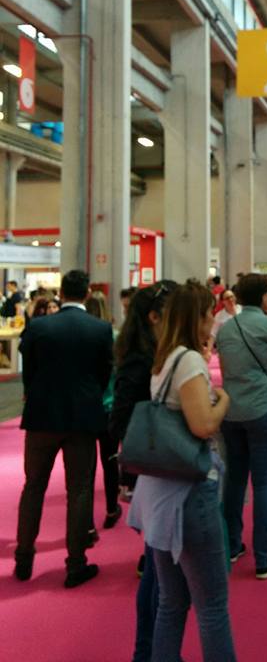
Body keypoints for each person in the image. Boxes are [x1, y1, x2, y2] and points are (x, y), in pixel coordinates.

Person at [128, 280, 236, 662]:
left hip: (161, 492)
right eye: (209, 314)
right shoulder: (188, 360)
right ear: (197, 317)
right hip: (189, 492)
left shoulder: (166, 357)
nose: (213, 320)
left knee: (171, 603)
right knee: (212, 606)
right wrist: (223, 401)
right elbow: (203, 425)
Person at [14, 269, 113, 588]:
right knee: (80, 490)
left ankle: (24, 558)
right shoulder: (100, 329)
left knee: (33, 487)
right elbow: (104, 373)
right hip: (82, 417)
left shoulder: (39, 326)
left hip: (42, 415)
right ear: (87, 293)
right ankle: (75, 564)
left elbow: (28, 370)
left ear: (61, 292)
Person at [110, 279, 177, 662]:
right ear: (154, 317)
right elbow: (121, 419)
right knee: (156, 571)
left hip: (156, 469)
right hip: (154, 471)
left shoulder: (152, 353)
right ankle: (147, 651)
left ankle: (151, 651)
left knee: (158, 569)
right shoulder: (140, 359)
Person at [217, 273, 267, 580]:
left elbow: (225, 371)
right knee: (262, 483)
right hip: (262, 406)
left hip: (231, 411)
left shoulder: (225, 328)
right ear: (264, 297)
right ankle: (263, 558)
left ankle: (232, 546)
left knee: (235, 480)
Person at [85, 290, 121, 540]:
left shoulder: (81, 338)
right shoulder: (114, 336)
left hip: (87, 408)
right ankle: (111, 509)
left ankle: (87, 521)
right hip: (110, 407)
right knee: (110, 462)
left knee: (85, 469)